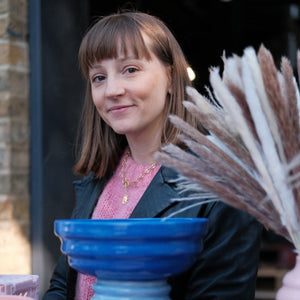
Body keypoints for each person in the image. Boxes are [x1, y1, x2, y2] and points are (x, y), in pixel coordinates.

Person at [43, 11, 262, 300]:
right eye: (99, 77)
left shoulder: (222, 185)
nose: (112, 90)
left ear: (171, 78)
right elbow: (63, 286)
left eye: (130, 69)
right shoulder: (97, 178)